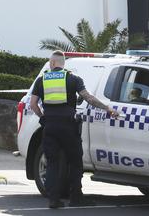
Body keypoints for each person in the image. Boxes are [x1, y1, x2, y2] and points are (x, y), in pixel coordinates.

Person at [30, 51, 120, 209]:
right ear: (63, 63)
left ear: (52, 63)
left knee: (52, 163)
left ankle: (53, 200)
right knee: (75, 162)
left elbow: (33, 104)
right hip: (68, 126)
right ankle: (76, 197)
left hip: (49, 126)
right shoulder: (73, 79)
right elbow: (88, 98)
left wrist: (43, 117)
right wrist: (107, 108)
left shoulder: (41, 80)